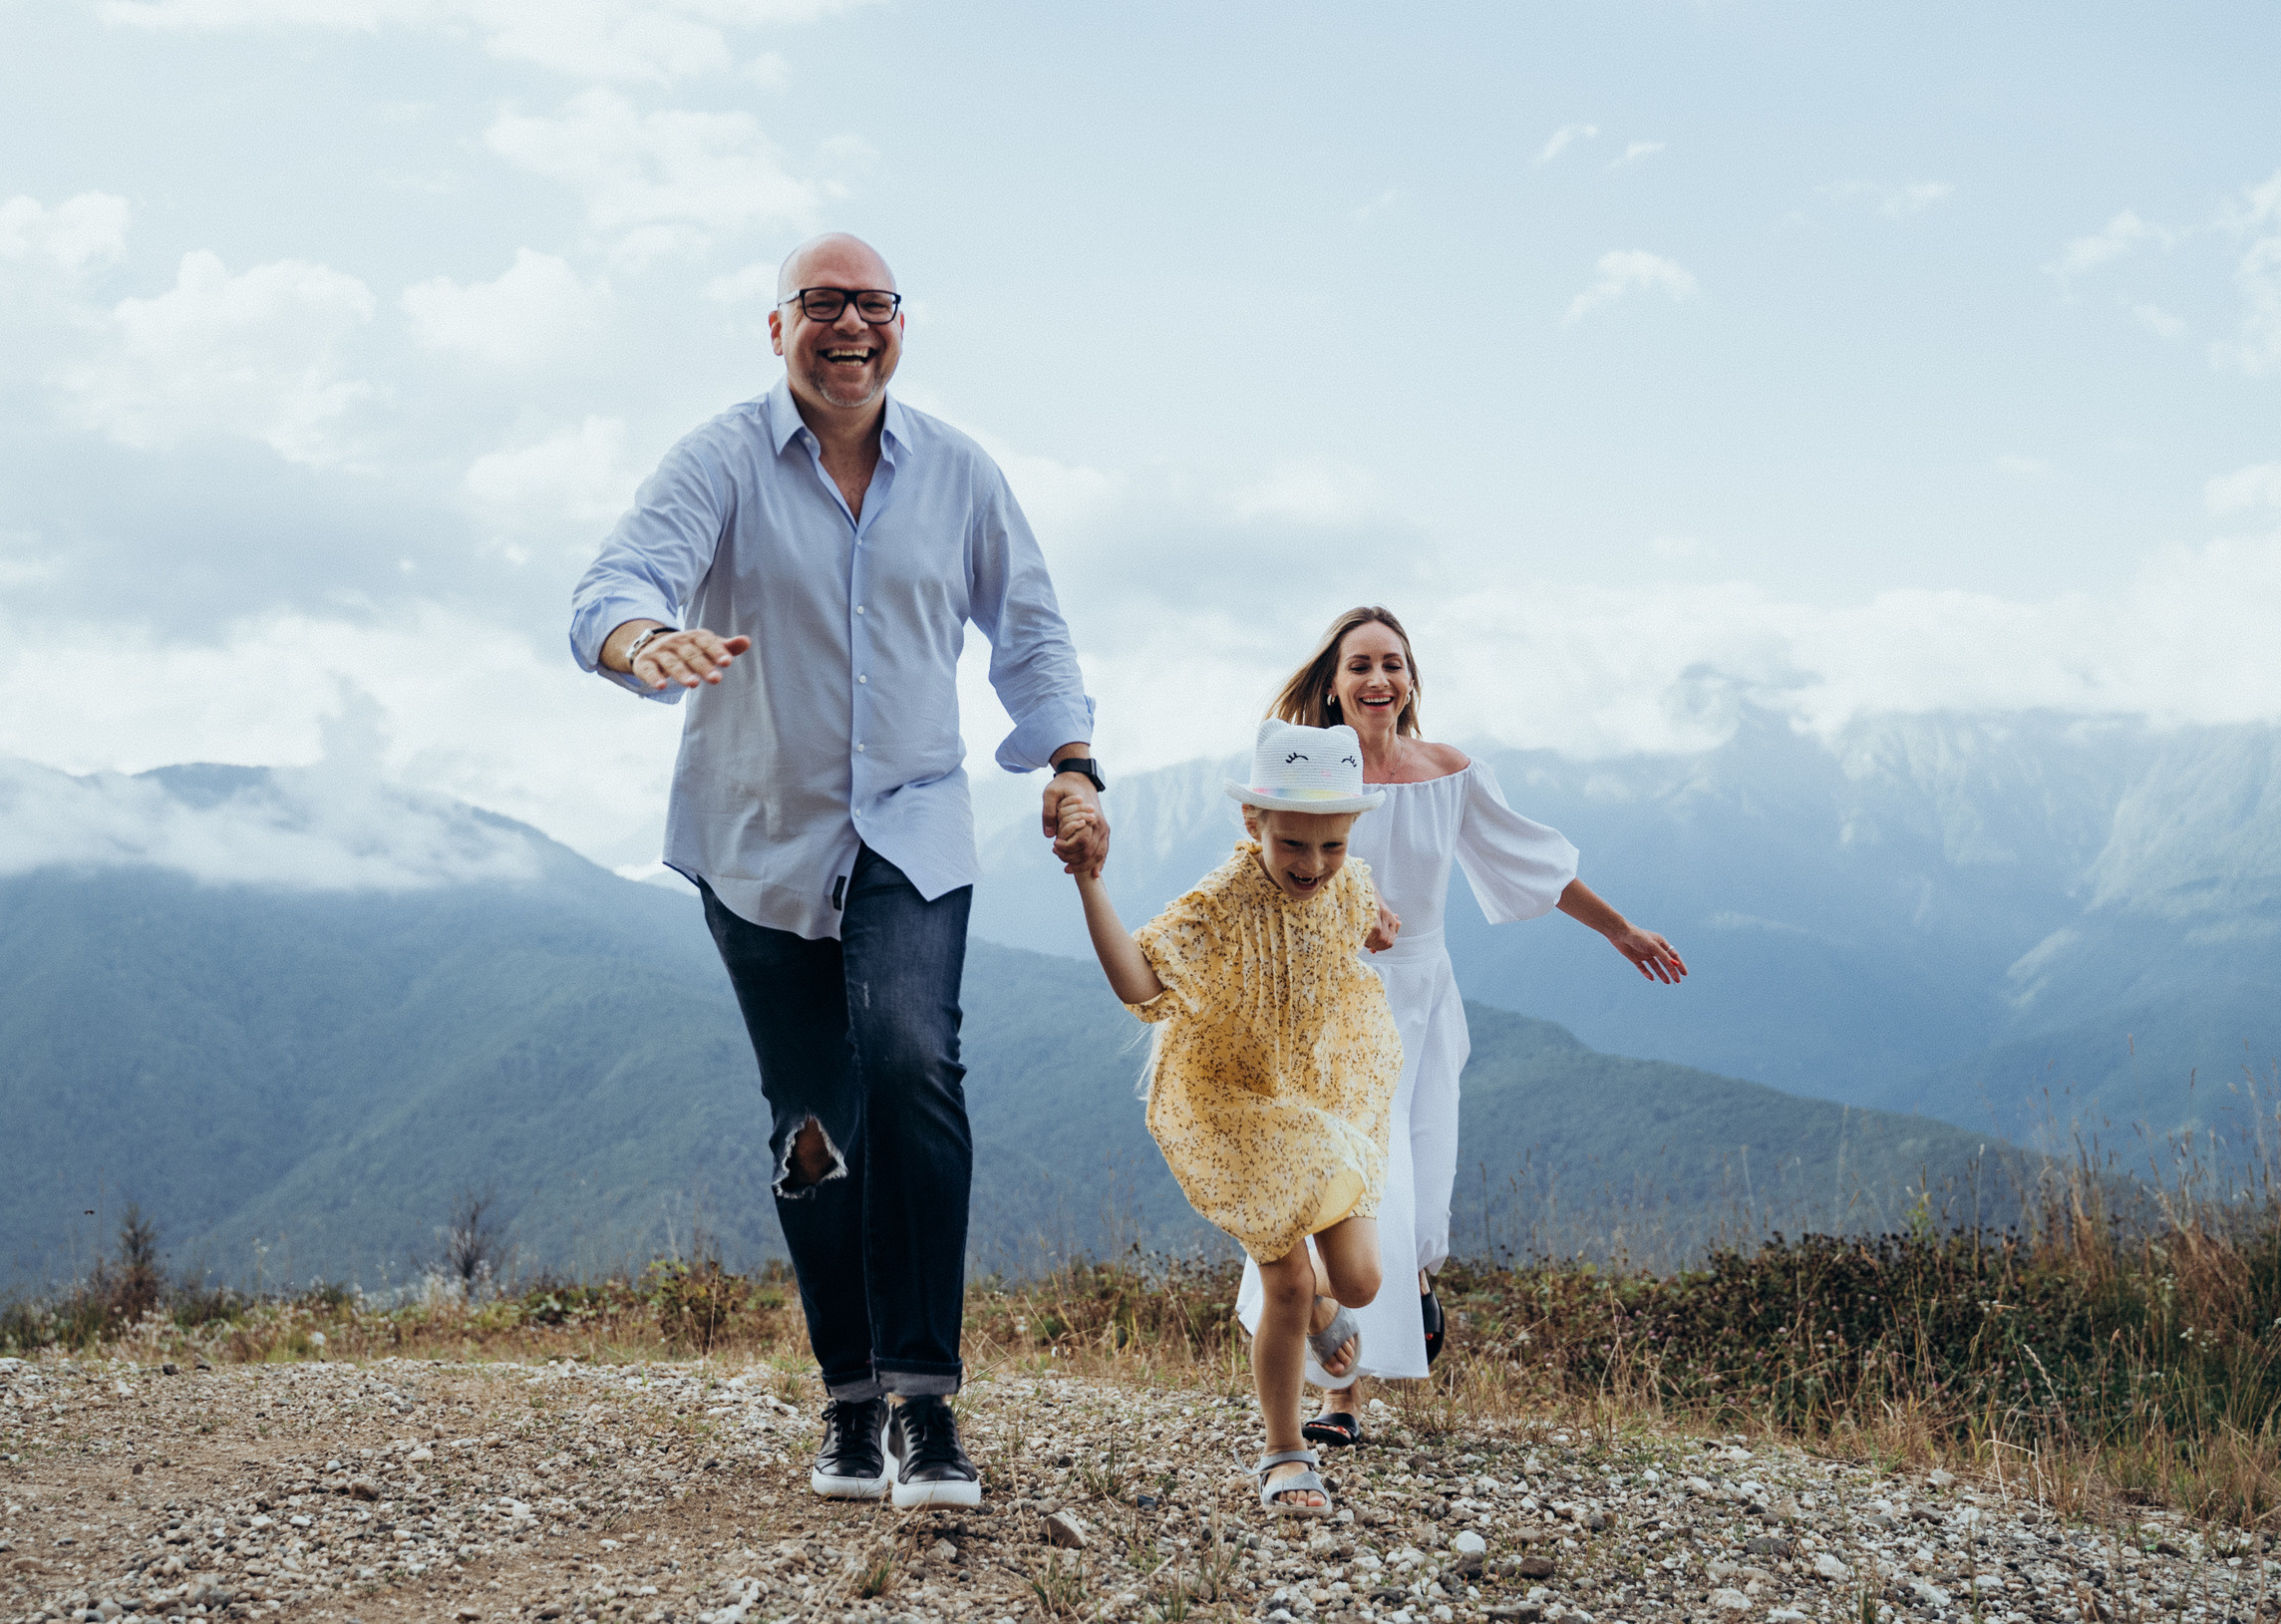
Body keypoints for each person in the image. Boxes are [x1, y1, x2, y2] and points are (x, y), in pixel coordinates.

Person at [568, 232, 1111, 1510]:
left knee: (914, 1060)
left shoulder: (960, 474)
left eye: (873, 303)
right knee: (813, 1125)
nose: (850, 325)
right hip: (756, 834)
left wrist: (1072, 761)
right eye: (823, 303)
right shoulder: (718, 460)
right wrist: (645, 641)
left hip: (913, 827)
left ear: (902, 324)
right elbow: (611, 584)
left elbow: (1029, 627)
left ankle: (926, 1407)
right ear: (778, 328)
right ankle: (849, 1402)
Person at [1236, 606, 1686, 1442]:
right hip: (1334, 1008)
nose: (1379, 680)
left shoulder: (1452, 773)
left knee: (1421, 1205)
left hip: (1424, 1000)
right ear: (1333, 685)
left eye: (1393, 664)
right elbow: (1266, 876)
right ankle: (1338, 1400)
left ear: (1411, 680)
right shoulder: (1310, 775)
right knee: (1353, 1188)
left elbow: (1535, 866)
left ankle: (1408, 1289)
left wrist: (1620, 929)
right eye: (1361, 665)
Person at [1058, 719, 1403, 1516]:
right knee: (1284, 1280)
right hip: (1232, 1103)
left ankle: (1320, 1299)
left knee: (1359, 1278)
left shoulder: (1345, 881)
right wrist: (1089, 882)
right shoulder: (1223, 903)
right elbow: (1140, 984)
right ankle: (1285, 1454)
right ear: (1256, 824)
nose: (1313, 866)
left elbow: (1357, 910)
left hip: (1315, 1088)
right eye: (1294, 846)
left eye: (1331, 847)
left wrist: (1376, 918)